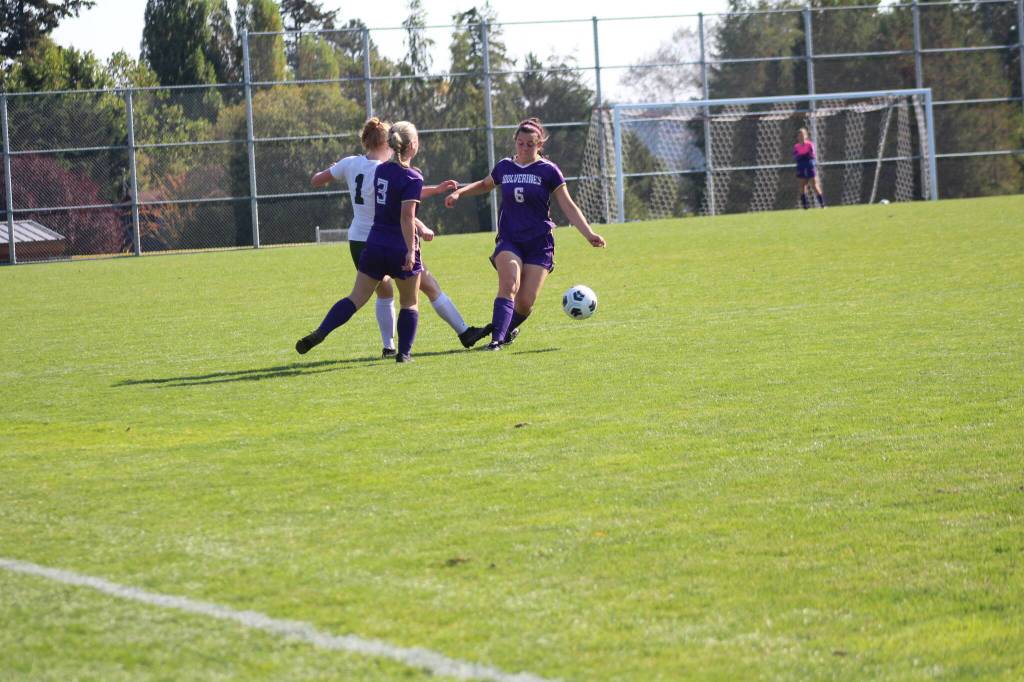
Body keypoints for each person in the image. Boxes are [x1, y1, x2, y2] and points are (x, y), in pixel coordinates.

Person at [310, 118, 488, 357]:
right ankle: (452, 336)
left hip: (360, 241)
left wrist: (337, 168)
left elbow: (317, 180)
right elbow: (401, 208)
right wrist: (420, 229)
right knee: (423, 291)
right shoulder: (386, 169)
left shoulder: (352, 164)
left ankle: (387, 346)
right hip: (392, 238)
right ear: (391, 143)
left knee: (378, 294)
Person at [444, 117, 606, 350]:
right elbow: (485, 184)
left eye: (530, 144)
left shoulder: (548, 171)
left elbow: (568, 205)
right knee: (509, 283)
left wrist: (589, 234)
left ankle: (502, 331)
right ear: (515, 142)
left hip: (539, 243)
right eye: (520, 143)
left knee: (525, 303)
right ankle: (496, 341)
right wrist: (460, 192)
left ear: (539, 145)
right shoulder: (505, 166)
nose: (524, 148)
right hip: (510, 239)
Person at [297, 121, 443, 363]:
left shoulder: (374, 169)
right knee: (409, 302)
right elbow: (406, 214)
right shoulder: (407, 175)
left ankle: (322, 331)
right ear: (410, 145)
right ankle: (403, 354)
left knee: (357, 297)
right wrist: (411, 249)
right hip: (395, 243)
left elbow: (321, 180)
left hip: (369, 242)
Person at [793, 127, 826, 209]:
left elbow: (812, 155)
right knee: (802, 186)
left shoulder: (809, 144)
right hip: (801, 167)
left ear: (806, 136)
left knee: (814, 185)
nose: (801, 137)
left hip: (809, 166)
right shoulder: (796, 146)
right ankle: (805, 206)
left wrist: (806, 157)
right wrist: (800, 157)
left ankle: (822, 204)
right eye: (799, 135)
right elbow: (795, 156)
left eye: (803, 135)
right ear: (797, 137)